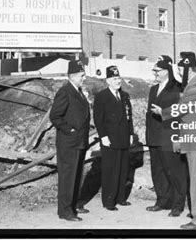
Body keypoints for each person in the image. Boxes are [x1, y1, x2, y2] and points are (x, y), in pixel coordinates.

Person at [151, 51, 196, 229]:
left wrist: (162, 112)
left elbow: (183, 107)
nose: (177, 72)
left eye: (179, 69)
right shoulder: (195, 82)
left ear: (187, 69)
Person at [145, 55, 188, 217]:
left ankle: (178, 205)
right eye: (154, 70)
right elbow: (149, 115)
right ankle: (162, 201)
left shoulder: (178, 88)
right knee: (158, 172)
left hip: (170, 136)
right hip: (154, 137)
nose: (154, 73)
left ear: (166, 71)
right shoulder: (153, 89)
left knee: (175, 172)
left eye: (157, 70)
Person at [49, 60, 91, 222]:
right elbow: (55, 116)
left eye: (84, 75)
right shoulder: (65, 91)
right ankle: (65, 211)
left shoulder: (78, 91)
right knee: (68, 177)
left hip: (79, 142)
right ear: (72, 76)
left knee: (76, 175)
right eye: (81, 75)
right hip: (69, 142)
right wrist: (70, 130)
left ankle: (72, 207)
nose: (84, 78)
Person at [93, 65, 134, 211]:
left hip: (123, 138)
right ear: (108, 81)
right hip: (109, 139)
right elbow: (98, 119)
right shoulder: (102, 96)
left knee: (123, 169)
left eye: (119, 78)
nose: (118, 81)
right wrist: (103, 136)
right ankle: (109, 201)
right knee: (111, 170)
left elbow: (129, 117)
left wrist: (130, 134)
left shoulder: (124, 96)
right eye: (114, 79)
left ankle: (120, 198)